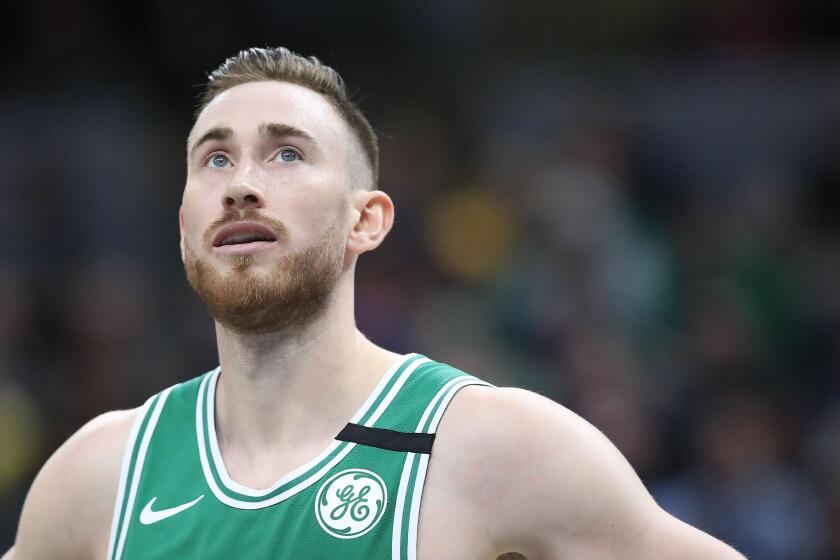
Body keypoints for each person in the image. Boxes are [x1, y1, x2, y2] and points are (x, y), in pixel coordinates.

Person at [3, 47, 746, 560]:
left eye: (287, 152)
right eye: (215, 157)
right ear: (184, 227)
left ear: (368, 220)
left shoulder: (496, 448)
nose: (240, 183)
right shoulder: (100, 475)